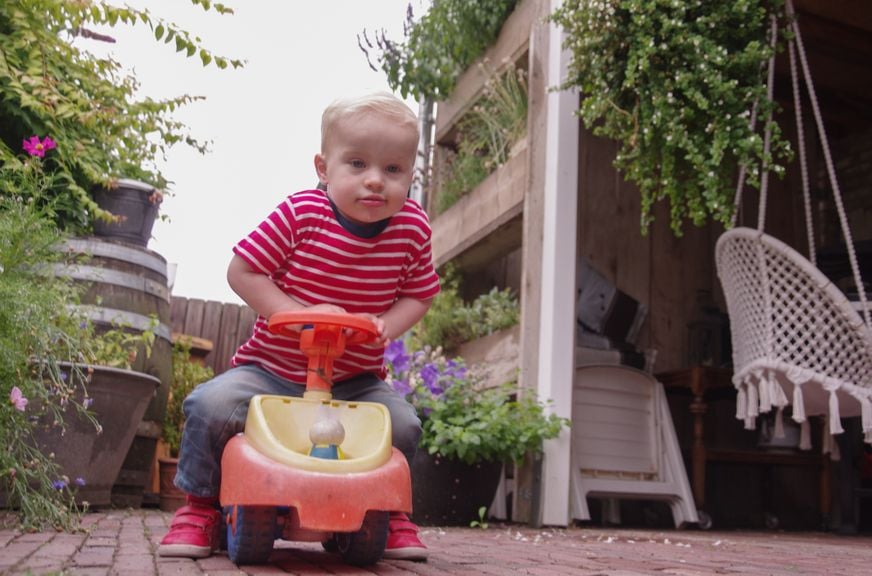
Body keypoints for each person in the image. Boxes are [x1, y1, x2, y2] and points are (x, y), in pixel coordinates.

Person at [157, 92, 440, 562]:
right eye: (356, 164)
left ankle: (390, 516)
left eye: (393, 170)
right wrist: (294, 312)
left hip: (354, 380)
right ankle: (201, 507)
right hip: (271, 367)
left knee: (404, 424)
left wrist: (386, 323)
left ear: (411, 174)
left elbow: (421, 292)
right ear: (323, 168)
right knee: (210, 405)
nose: (374, 181)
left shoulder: (412, 227)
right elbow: (242, 271)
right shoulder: (300, 214)